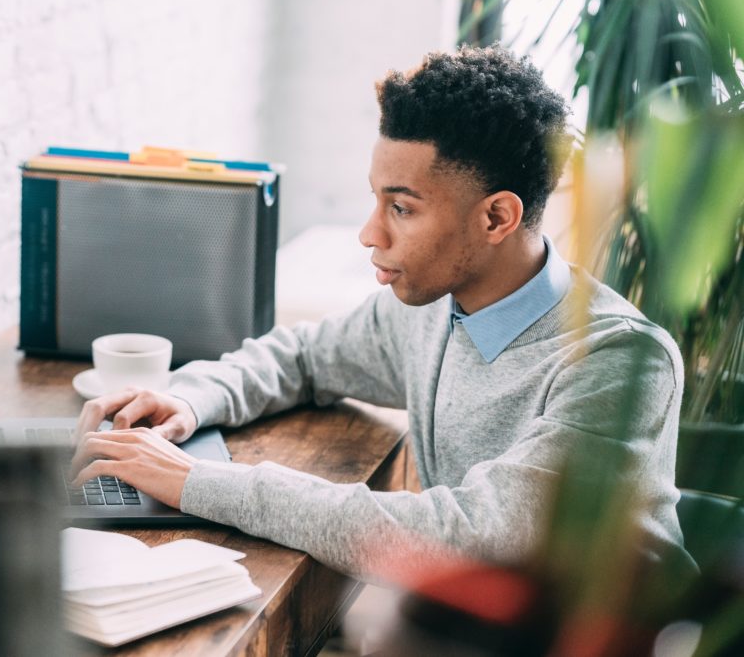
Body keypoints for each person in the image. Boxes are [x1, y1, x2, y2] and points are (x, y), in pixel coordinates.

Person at [69, 45, 685, 577]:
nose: (369, 234)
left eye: (403, 208)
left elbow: (466, 537)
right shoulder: (432, 308)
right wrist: (192, 396)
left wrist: (196, 481)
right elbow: (305, 358)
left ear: (497, 217)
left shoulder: (622, 361)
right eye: (376, 200)